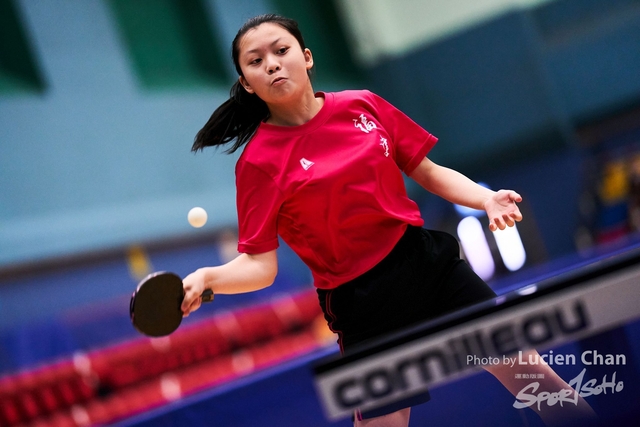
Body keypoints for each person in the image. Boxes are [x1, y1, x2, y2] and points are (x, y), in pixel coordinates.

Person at [181, 14, 596, 427]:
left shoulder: (362, 104)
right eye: (255, 61)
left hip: (427, 267)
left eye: (281, 50)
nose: (271, 63)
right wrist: (208, 277)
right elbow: (260, 265)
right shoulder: (257, 163)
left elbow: (428, 170)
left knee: (537, 379)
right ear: (248, 84)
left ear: (306, 58)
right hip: (362, 303)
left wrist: (486, 198)